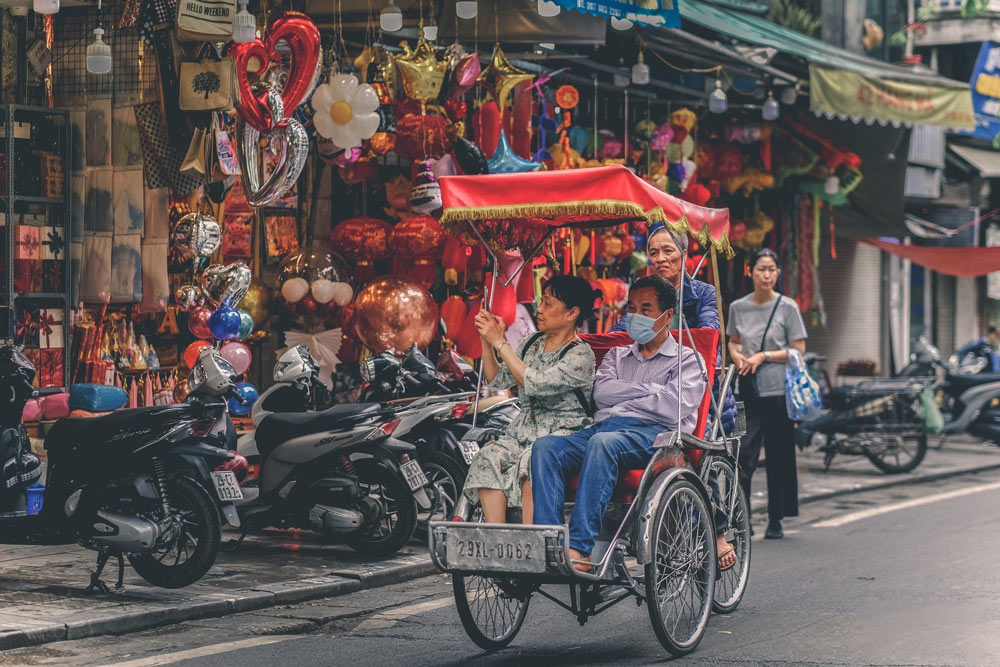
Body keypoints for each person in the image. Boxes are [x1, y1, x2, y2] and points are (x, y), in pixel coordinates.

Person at [532, 275, 706, 571]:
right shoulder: (617, 355)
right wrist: (650, 390)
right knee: (546, 447)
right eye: (632, 309)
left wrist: (624, 398)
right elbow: (602, 395)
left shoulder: (687, 360)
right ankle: (548, 544)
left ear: (668, 316)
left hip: (654, 437)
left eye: (646, 309)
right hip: (604, 428)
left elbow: (670, 407)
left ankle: (579, 548)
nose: (635, 316)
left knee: (603, 444)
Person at [611, 225, 737, 570]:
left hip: (694, 388)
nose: (661, 258)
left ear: (684, 254)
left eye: (668, 250)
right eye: (654, 252)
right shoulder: (643, 292)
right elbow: (624, 331)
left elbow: (710, 336)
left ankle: (719, 530)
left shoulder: (703, 294)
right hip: (651, 385)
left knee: (693, 444)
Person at [462, 275, 600, 525]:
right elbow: (497, 380)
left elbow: (534, 382)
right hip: (523, 429)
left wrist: (500, 342)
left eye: (548, 303)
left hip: (563, 432)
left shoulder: (581, 355)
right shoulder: (532, 343)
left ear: (572, 313)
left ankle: (531, 543)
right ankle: (497, 539)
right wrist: (486, 340)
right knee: (489, 456)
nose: (540, 309)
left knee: (532, 460)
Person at [727, 248, 807, 540]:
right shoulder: (738, 307)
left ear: (778, 273)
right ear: (750, 271)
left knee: (778, 455)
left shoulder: (788, 307)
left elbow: (798, 350)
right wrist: (738, 358)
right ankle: (742, 519)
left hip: (778, 391)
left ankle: (776, 519)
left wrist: (763, 356)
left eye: (772, 269)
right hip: (746, 389)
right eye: (761, 269)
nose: (766, 275)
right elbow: (733, 342)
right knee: (743, 455)